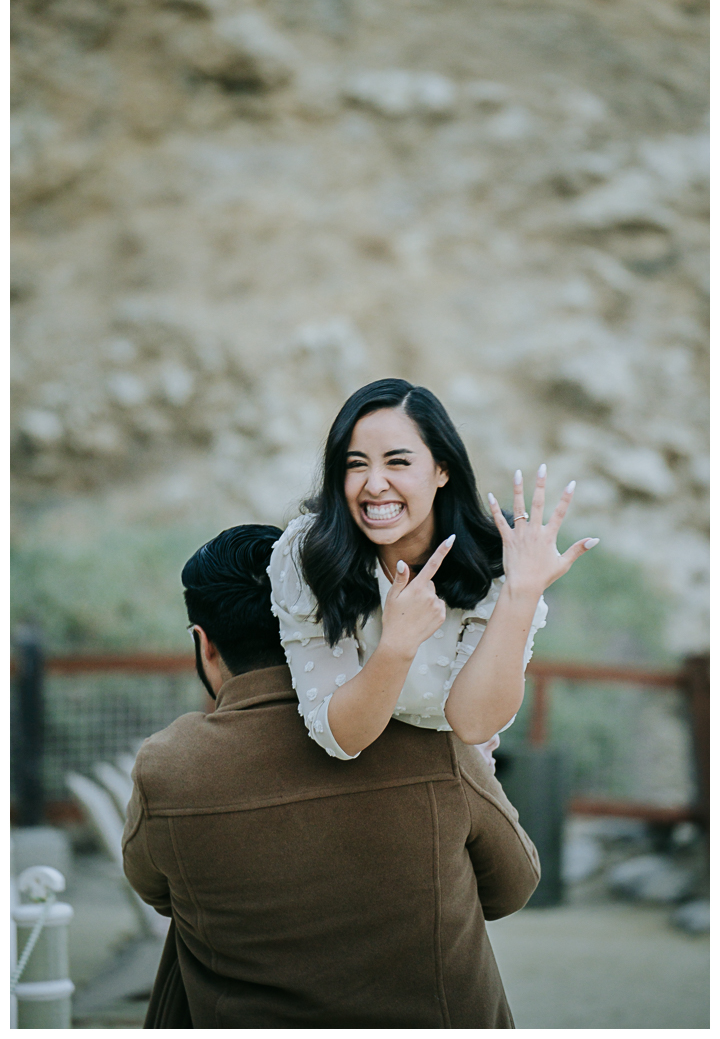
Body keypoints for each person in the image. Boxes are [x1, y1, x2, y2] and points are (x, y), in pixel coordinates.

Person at [122, 523, 541, 1028]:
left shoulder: (169, 765)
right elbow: (512, 886)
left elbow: (158, 892)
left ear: (205, 644)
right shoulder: (425, 731)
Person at [269, 378, 599, 763]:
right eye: (356, 465)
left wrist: (521, 593)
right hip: (339, 780)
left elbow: (475, 725)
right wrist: (397, 644)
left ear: (442, 469)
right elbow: (339, 737)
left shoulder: (500, 559)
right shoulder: (309, 550)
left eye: (398, 462)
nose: (375, 485)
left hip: (456, 776)